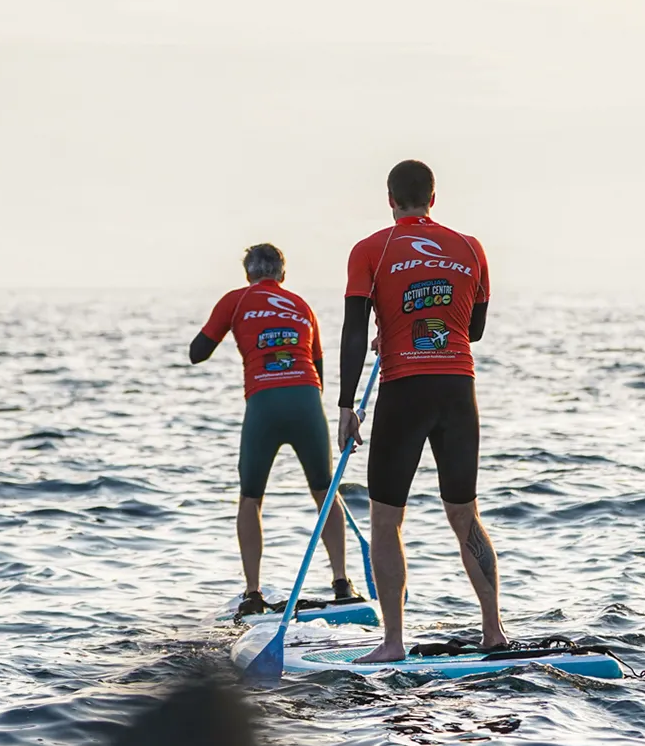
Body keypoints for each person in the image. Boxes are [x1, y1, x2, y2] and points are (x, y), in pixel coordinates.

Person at [338, 159, 506, 662]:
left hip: (403, 392)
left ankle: (392, 643)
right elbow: (473, 331)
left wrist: (346, 405)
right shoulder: (470, 247)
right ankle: (493, 632)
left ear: (390, 199)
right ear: (434, 198)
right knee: (465, 515)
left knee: (387, 520)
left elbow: (351, 330)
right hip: (458, 389)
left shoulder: (371, 249)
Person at [192, 244, 355, 617]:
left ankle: (253, 592)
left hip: (264, 404)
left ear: (248, 274)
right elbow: (319, 366)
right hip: (307, 400)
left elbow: (197, 353)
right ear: (283, 275)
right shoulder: (301, 305)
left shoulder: (235, 300)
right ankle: (342, 584)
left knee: (251, 496)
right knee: (325, 492)